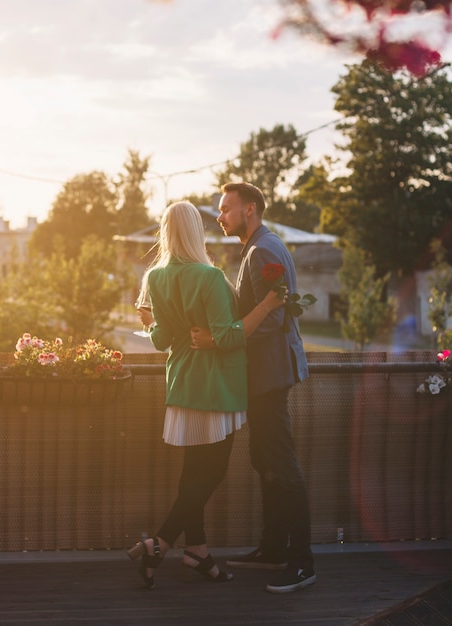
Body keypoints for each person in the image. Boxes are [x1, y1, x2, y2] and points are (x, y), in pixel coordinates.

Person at [126, 200, 287, 590]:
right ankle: (158, 542)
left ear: (166, 232)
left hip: (182, 385)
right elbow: (229, 337)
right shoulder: (210, 277)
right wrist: (267, 304)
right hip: (216, 387)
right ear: (196, 232)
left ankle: (197, 551)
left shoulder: (155, 278)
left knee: (192, 475)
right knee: (210, 474)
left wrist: (149, 323)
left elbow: (162, 340)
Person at [190, 182, 315, 594]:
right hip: (265, 375)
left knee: (282, 464)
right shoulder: (260, 247)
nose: (220, 216)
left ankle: (301, 562)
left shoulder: (263, 251)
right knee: (266, 460)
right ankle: (274, 548)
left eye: (226, 209)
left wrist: (220, 339)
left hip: (270, 375)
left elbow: (274, 320)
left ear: (250, 210)